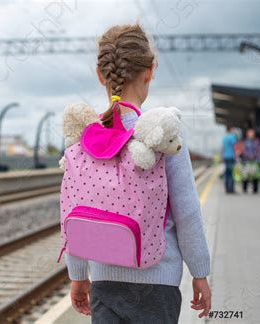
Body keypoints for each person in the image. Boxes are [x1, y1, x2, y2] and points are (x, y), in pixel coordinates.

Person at [65, 24, 211, 324]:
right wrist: (200, 272)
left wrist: (78, 274)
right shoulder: (163, 134)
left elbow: (75, 210)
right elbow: (188, 213)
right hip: (158, 283)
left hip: (105, 280)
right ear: (150, 71)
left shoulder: (87, 139)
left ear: (100, 75)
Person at [238, 129, 260, 194]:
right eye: (249, 133)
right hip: (246, 161)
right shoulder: (245, 142)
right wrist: (248, 156)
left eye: (252, 133)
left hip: (255, 161)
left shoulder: (257, 141)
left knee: (255, 176)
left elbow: (259, 150)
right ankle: (245, 189)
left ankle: (255, 189)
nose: (251, 135)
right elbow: (243, 150)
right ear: (247, 134)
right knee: (245, 176)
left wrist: (256, 157)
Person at [221, 126, 237, 193]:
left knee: (227, 173)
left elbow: (223, 148)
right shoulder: (232, 136)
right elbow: (235, 146)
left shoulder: (224, 137)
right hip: (231, 157)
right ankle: (231, 190)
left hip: (225, 157)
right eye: (233, 129)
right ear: (230, 129)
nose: (234, 130)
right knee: (231, 173)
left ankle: (227, 189)